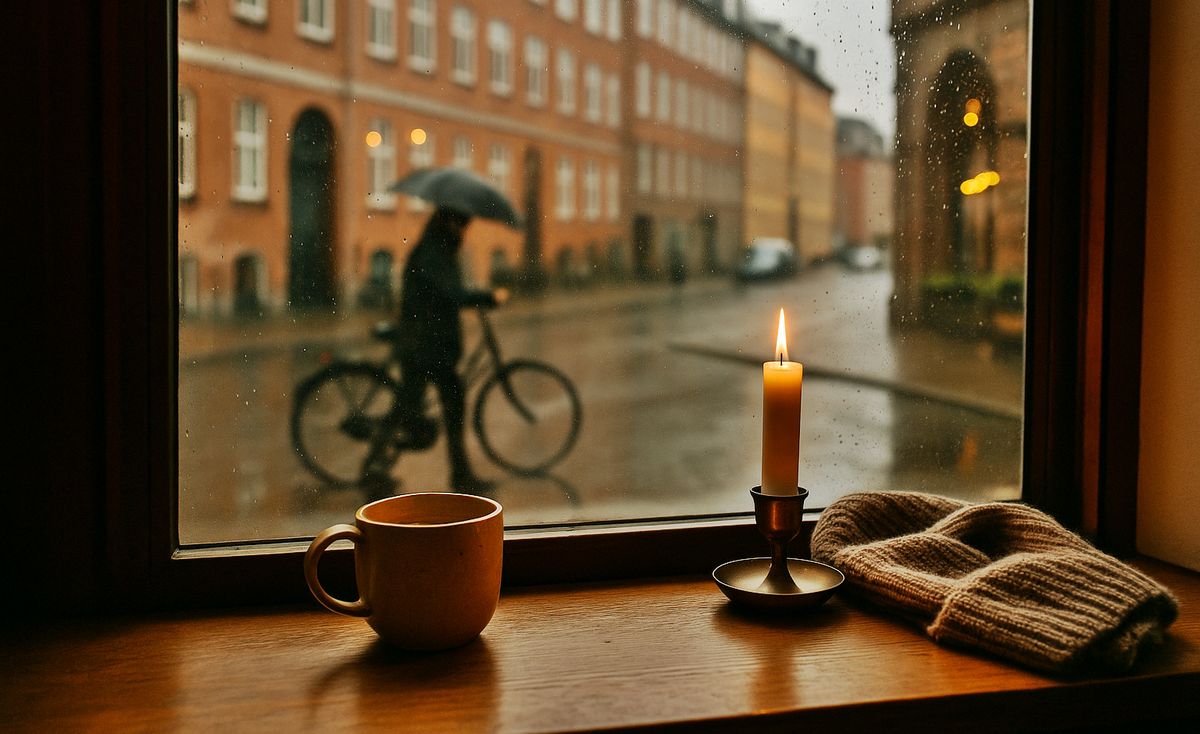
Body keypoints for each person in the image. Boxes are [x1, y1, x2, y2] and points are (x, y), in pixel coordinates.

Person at [362, 207, 508, 496]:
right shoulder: (431, 251)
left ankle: (459, 475)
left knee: (432, 407)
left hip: (432, 345)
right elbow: (447, 293)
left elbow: (449, 289)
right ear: (446, 221)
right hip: (423, 346)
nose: (463, 229)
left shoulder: (441, 248)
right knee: (411, 407)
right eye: (460, 223)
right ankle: (375, 467)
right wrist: (485, 296)